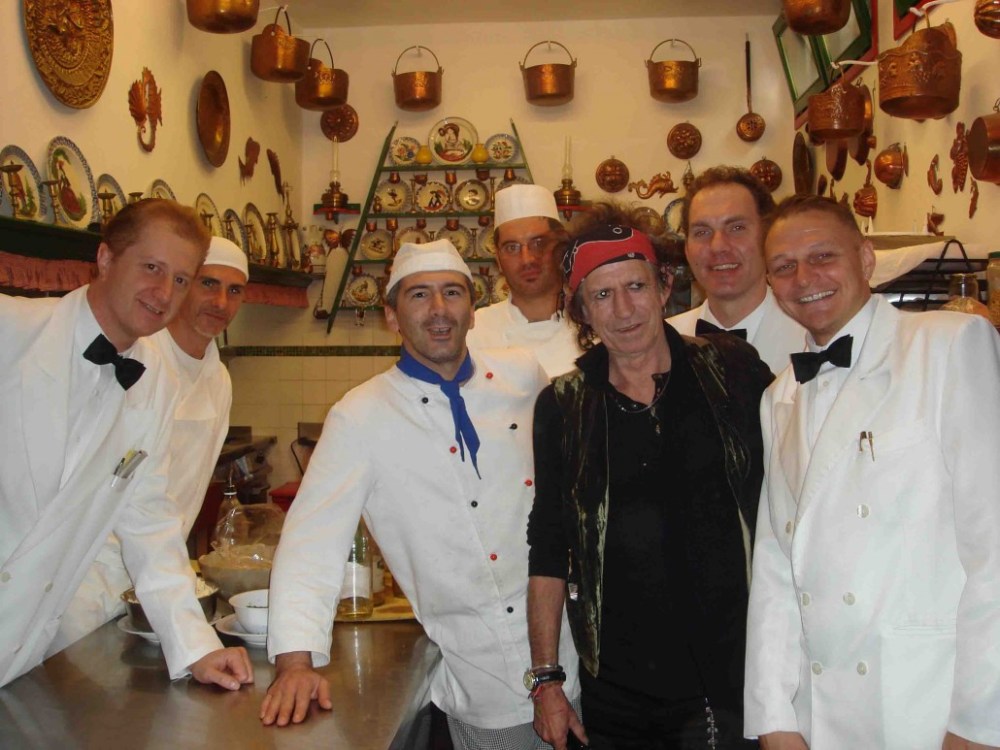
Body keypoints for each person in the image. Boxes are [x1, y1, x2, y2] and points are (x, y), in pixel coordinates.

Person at [261, 239, 580, 748]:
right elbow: (310, 543)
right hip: (481, 674)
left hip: (571, 647)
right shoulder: (360, 416)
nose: (438, 310)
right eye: (418, 295)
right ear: (391, 316)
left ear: (473, 311)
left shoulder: (524, 375)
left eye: (452, 292)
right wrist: (295, 662)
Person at [745, 195, 1000, 750]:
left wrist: (982, 722)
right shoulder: (778, 396)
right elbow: (775, 565)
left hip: (927, 700)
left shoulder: (948, 345)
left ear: (865, 259)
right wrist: (773, 716)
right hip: (821, 712)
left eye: (823, 256)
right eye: (784, 266)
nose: (804, 278)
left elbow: (994, 548)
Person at [528, 224, 773, 750]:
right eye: (602, 295)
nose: (624, 309)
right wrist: (546, 680)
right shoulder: (564, 406)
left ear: (663, 288)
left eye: (636, 286)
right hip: (619, 693)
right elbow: (548, 545)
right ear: (582, 312)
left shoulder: (731, 370)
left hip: (734, 675)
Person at [0, 199, 252, 690]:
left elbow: (149, 520)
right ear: (106, 259)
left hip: (21, 645)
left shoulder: (155, 380)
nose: (164, 293)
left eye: (180, 278)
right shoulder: (12, 330)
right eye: (151, 268)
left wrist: (196, 645)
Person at [49, 236, 250, 655]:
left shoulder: (219, 379)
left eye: (234, 290)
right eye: (208, 284)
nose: (221, 302)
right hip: (87, 574)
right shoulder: (136, 361)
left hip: (156, 571)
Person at [668, 166, 805, 374]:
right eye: (702, 232)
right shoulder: (663, 342)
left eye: (736, 228)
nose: (718, 246)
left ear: (768, 238)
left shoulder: (810, 336)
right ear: (687, 248)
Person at [467, 183, 582, 377]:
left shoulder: (595, 324)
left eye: (538, 243)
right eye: (512, 247)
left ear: (562, 249)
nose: (527, 259)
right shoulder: (474, 331)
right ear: (498, 260)